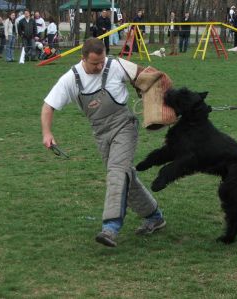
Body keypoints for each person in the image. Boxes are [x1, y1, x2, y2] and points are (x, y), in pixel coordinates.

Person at [41, 38, 166, 247]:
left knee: (117, 170)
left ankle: (111, 227)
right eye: (94, 64)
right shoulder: (70, 79)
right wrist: (47, 133)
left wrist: (152, 95)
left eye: (102, 61)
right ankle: (154, 216)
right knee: (127, 176)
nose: (100, 66)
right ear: (83, 58)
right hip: (100, 133)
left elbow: (149, 76)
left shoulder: (116, 65)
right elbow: (48, 106)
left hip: (124, 125)